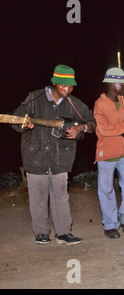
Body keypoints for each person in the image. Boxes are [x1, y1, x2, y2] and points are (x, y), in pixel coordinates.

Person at [11, 64, 96, 245]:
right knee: (38, 196)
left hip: (61, 158)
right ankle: (41, 233)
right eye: (63, 86)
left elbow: (91, 120)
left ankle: (63, 232)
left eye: (71, 86)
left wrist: (81, 127)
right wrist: (24, 125)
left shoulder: (73, 102)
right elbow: (16, 119)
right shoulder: (35, 97)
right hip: (36, 156)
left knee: (61, 195)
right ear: (55, 83)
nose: (67, 90)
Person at [94, 67, 124, 239]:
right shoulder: (100, 104)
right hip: (107, 152)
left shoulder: (123, 102)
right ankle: (110, 224)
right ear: (114, 83)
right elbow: (104, 130)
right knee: (106, 189)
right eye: (123, 83)